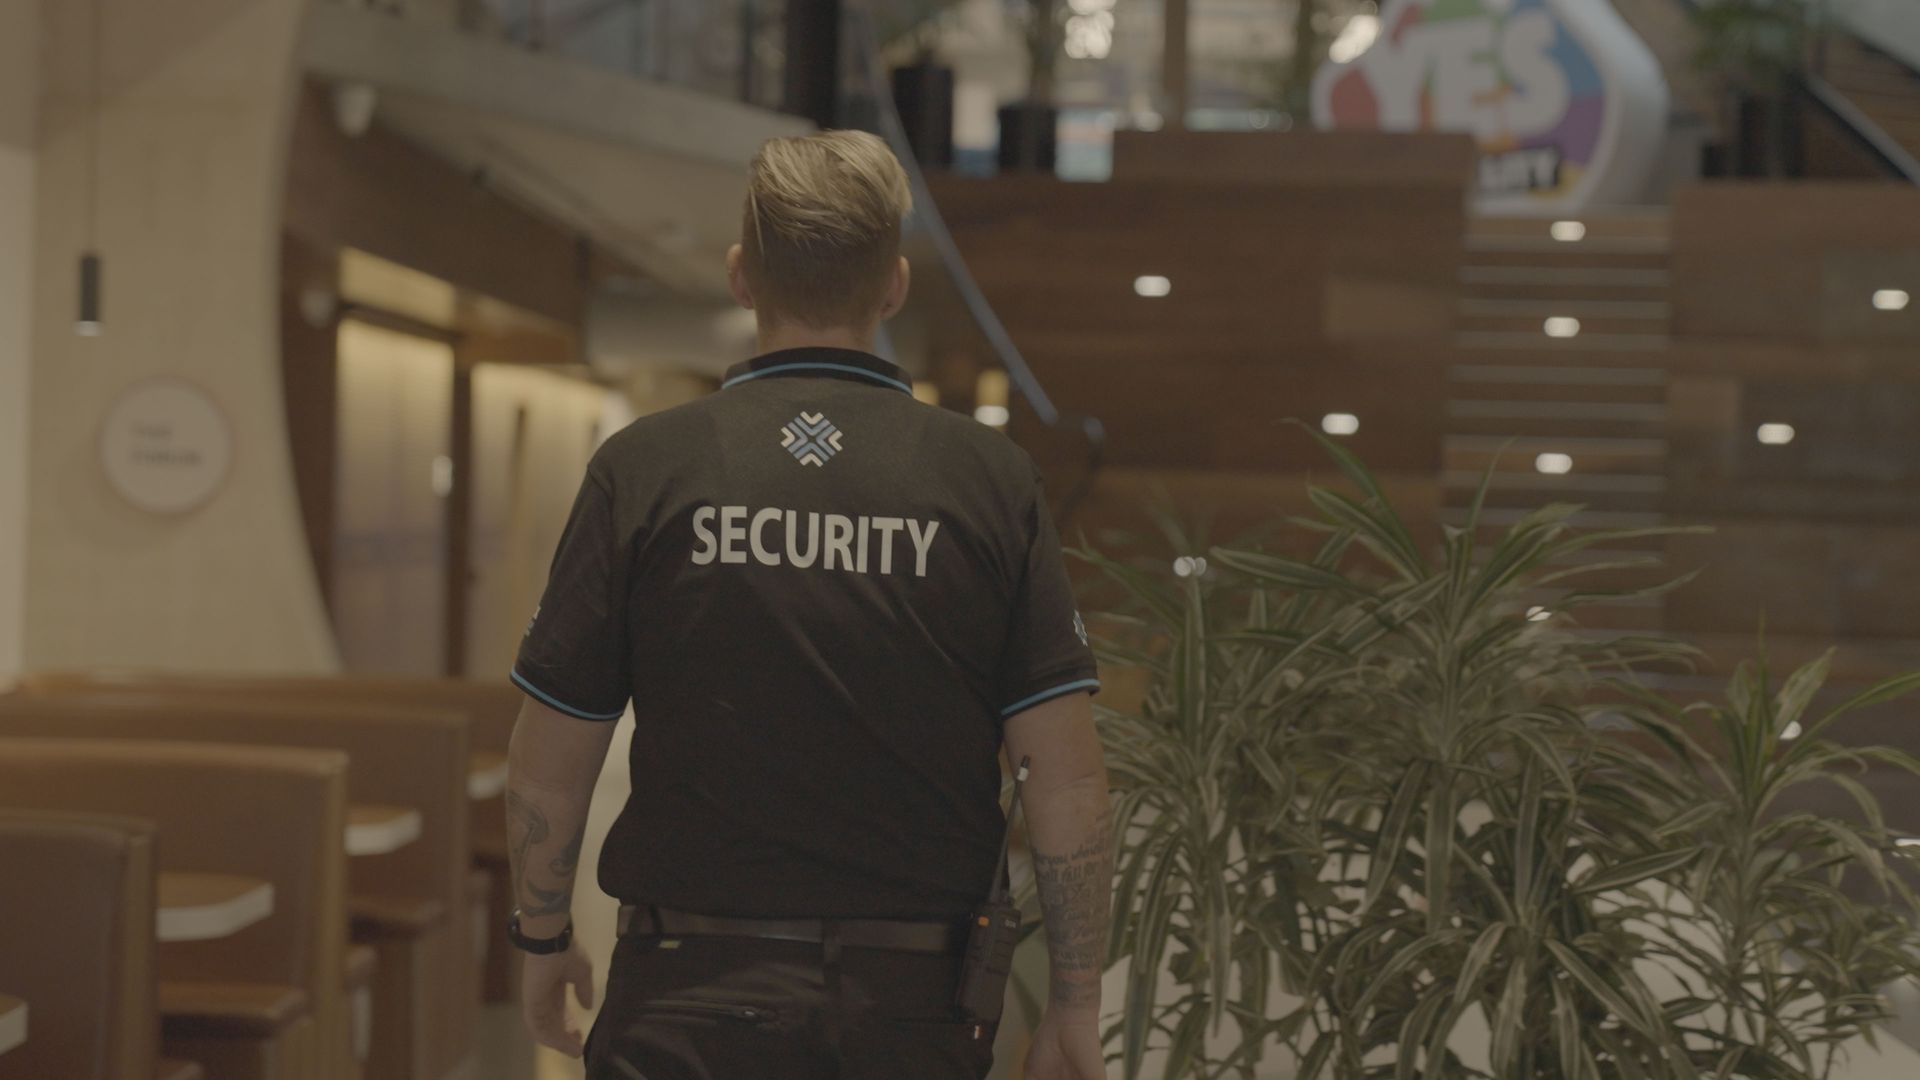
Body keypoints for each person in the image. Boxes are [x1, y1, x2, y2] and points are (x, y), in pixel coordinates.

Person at [501, 129, 1113, 1080]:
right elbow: (1063, 779)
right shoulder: (990, 482)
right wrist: (1076, 1000)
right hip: (912, 1011)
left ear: (743, 277)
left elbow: (552, 758)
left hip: (680, 996)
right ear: (894, 286)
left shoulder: (645, 470)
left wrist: (541, 940)